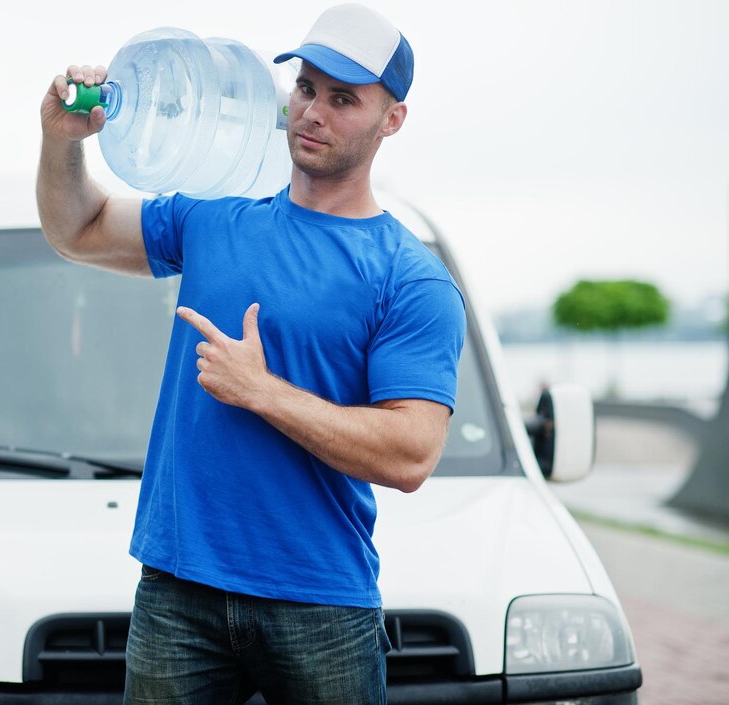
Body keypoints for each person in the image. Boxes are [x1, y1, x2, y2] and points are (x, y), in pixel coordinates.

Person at [36, 4, 466, 703]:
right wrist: (62, 141)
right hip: (180, 590)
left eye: (343, 99)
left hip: (321, 603)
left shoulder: (409, 278)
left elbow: (412, 452)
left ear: (393, 120)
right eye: (306, 88)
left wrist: (262, 391)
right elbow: (75, 229)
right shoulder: (215, 211)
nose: (312, 112)